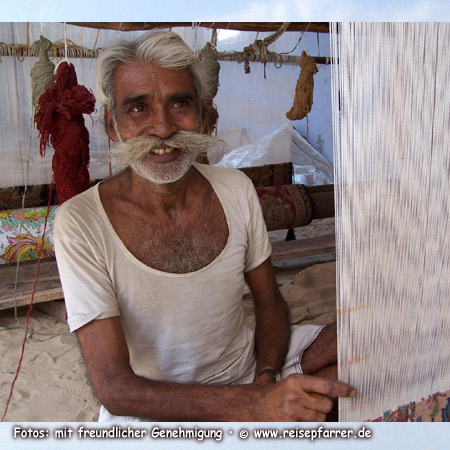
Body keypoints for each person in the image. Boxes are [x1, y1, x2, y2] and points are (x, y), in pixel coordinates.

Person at [54, 30, 355, 422]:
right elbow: (115, 387)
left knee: (365, 342)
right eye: (138, 109)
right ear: (112, 124)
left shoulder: (235, 189)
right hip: (156, 410)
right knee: (322, 409)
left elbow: (269, 303)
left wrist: (264, 380)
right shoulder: (81, 223)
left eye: (179, 103)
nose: (163, 129)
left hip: (247, 372)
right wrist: (253, 406)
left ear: (201, 114)